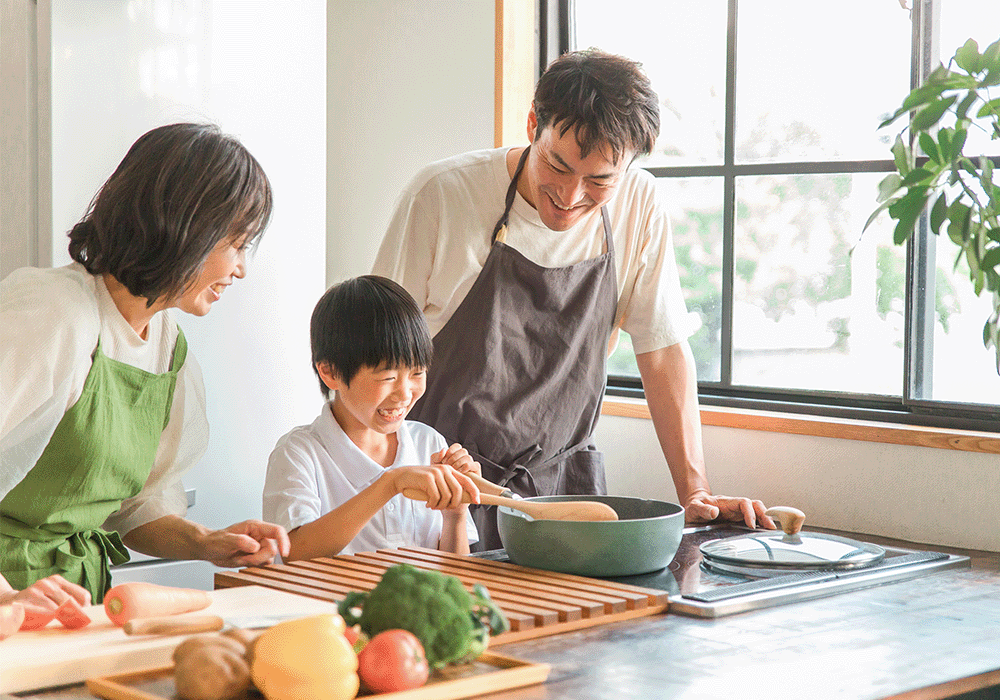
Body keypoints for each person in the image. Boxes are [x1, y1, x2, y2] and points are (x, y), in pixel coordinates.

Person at [373, 49, 775, 550]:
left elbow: (662, 350)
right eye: (556, 166)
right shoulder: (442, 196)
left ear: (627, 169)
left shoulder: (640, 206)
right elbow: (372, 359)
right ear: (532, 125)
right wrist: (366, 493)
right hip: (439, 492)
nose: (569, 194)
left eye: (599, 180)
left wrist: (697, 492)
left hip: (565, 502)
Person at [1, 123, 290, 602]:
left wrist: (205, 542)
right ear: (185, 230)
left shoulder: (165, 345)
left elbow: (132, 507)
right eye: (235, 245)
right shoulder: (55, 314)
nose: (241, 268)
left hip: (75, 601)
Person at [262, 275, 481, 560]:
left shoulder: (428, 443)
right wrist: (390, 483)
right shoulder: (298, 453)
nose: (404, 394)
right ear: (330, 372)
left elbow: (454, 575)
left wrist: (455, 514)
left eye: (417, 373)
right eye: (388, 377)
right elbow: (295, 552)